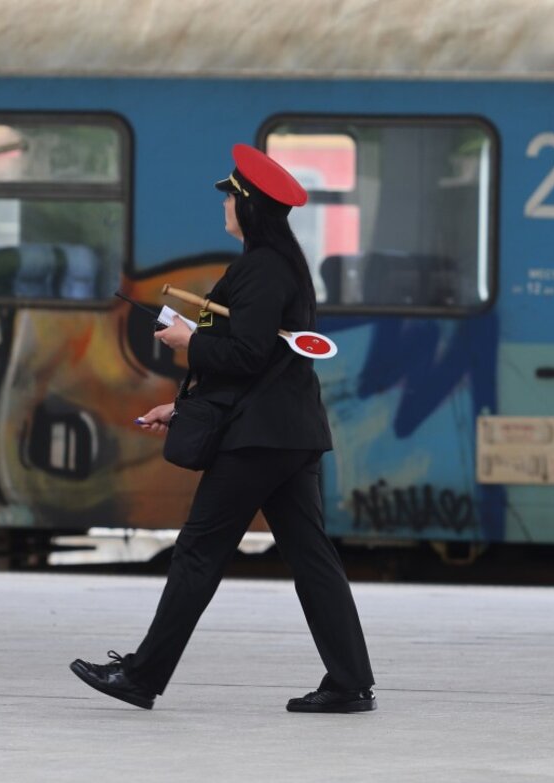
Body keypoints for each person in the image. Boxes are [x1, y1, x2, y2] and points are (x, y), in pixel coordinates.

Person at [70, 144, 376, 713]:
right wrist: (181, 408)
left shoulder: (260, 267)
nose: (224, 206)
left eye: (230, 197)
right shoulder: (283, 265)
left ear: (249, 204)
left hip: (258, 439)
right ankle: (351, 682)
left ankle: (141, 676)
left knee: (197, 553)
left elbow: (249, 355)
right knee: (311, 557)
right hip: (288, 432)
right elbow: (260, 357)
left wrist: (191, 343)